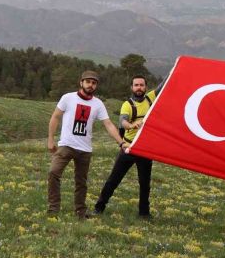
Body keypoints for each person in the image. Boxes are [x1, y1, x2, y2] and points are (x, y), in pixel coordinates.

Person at [47, 70, 126, 219]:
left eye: (94, 83)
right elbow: (55, 117)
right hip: (66, 145)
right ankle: (53, 209)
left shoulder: (98, 104)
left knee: (81, 183)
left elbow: (108, 124)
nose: (91, 85)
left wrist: (121, 142)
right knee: (53, 173)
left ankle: (80, 212)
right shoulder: (68, 98)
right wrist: (50, 140)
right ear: (81, 82)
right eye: (88, 82)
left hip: (85, 149)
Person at [94, 75, 162, 218]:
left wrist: (177, 66)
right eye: (136, 85)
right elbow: (122, 121)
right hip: (128, 148)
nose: (139, 88)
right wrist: (131, 125)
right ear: (132, 88)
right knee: (114, 179)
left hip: (145, 149)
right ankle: (99, 208)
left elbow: (164, 85)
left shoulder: (151, 98)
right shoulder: (127, 105)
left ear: (146, 87)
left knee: (145, 184)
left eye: (141, 85)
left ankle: (144, 213)